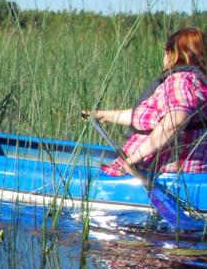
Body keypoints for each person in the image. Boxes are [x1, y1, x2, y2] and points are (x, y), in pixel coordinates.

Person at [84, 27, 207, 176]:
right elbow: (154, 118)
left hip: (162, 176)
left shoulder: (179, 80)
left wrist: (132, 160)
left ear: (174, 54)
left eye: (165, 52)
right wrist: (104, 115)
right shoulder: (196, 82)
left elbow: (175, 121)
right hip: (176, 173)